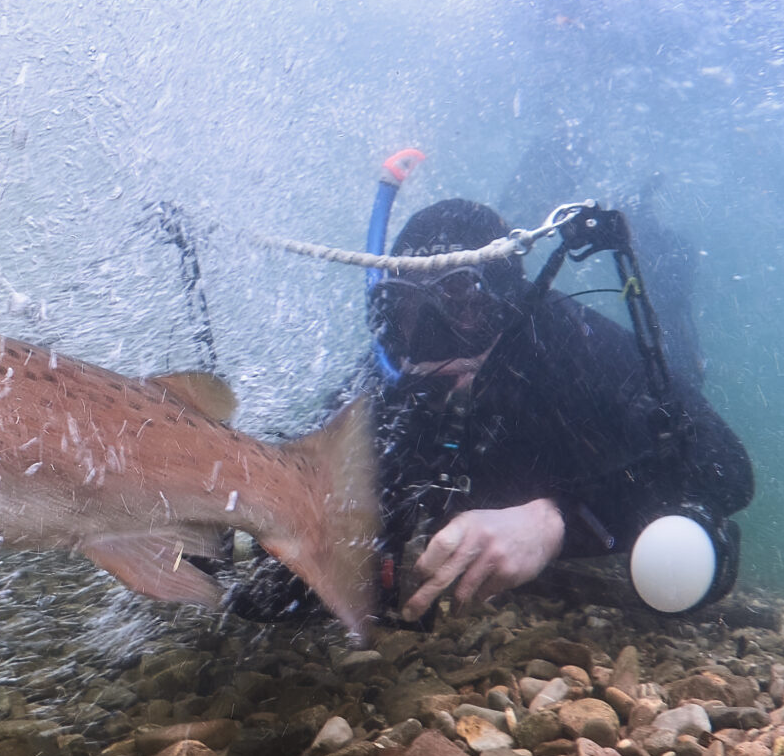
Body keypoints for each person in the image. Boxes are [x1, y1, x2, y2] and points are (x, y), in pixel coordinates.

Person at [229, 198, 753, 624]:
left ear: (506, 305)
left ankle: (669, 265)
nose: (429, 339)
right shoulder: (397, 370)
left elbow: (725, 471)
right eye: (407, 309)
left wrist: (555, 522)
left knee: (676, 550)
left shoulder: (574, 348)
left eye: (461, 303)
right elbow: (309, 471)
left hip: (611, 451)